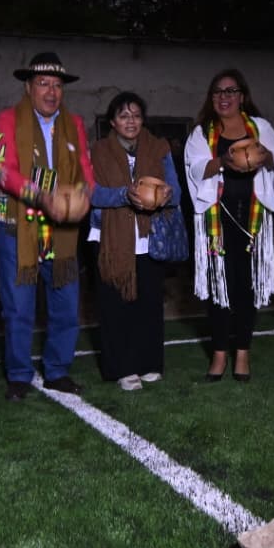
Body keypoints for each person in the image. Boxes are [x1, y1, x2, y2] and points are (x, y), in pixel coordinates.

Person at [0, 52, 95, 401]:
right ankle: (19, 375)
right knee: (18, 307)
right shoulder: (6, 119)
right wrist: (43, 196)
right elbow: (5, 172)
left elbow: (84, 168)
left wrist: (84, 196)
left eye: (57, 85)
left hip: (62, 230)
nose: (51, 92)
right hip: (17, 225)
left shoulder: (75, 123)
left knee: (65, 304)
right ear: (28, 86)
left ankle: (58, 371)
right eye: (43, 84)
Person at [185, 68, 274, 382]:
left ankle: (242, 352)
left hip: (253, 221)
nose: (224, 97)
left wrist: (262, 155)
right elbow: (196, 167)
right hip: (217, 221)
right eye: (218, 91)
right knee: (219, 290)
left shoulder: (261, 127)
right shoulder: (202, 132)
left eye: (230, 91)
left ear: (242, 95)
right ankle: (218, 355)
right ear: (211, 98)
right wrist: (224, 161)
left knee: (246, 288)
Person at [88, 91, 182, 391]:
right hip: (110, 239)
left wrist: (166, 195)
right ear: (112, 121)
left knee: (149, 304)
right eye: (124, 115)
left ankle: (149, 363)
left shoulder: (159, 148)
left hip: (148, 238)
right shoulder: (97, 151)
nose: (131, 121)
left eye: (136, 115)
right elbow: (90, 193)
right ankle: (122, 367)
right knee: (116, 306)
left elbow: (177, 192)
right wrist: (122, 195)